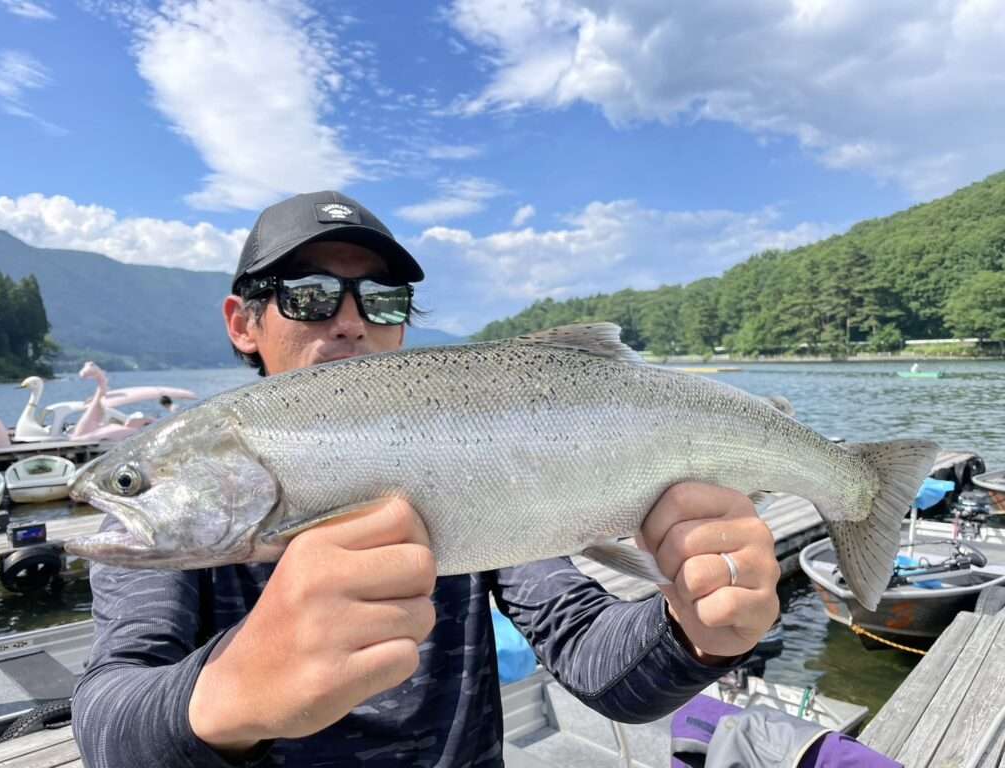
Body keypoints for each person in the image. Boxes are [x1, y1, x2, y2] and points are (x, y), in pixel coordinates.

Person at [72, 190, 781, 767]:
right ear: (243, 322)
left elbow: (594, 659)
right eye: (312, 295)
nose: (351, 321)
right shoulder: (169, 503)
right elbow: (106, 719)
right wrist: (230, 691)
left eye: (382, 300)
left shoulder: (466, 460)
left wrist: (697, 629)